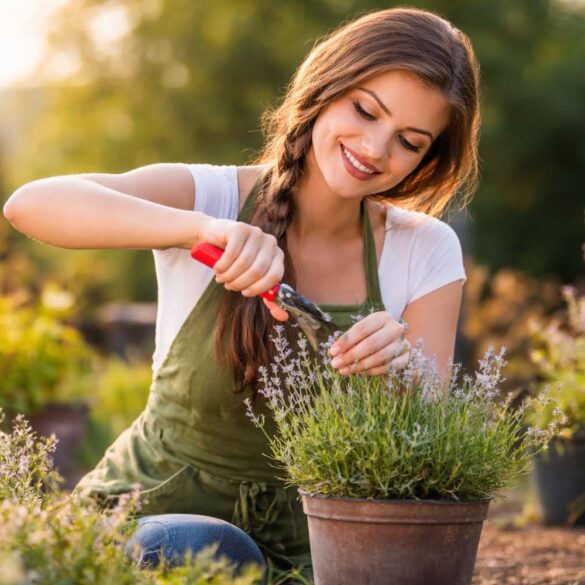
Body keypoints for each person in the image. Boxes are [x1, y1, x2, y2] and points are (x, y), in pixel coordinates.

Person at [2, 6, 480, 583]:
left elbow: (431, 440)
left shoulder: (425, 249)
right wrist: (200, 231)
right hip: (146, 530)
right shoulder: (212, 196)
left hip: (314, 557)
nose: (376, 149)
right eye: (364, 109)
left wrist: (399, 373)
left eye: (408, 141)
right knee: (218, 551)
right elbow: (30, 205)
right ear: (326, 86)